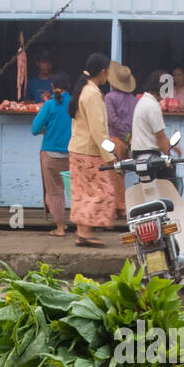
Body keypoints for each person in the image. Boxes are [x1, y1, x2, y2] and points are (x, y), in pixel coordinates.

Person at [67, 52, 117, 247]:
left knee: (82, 191)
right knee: (101, 191)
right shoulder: (93, 93)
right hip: (89, 151)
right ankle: (86, 233)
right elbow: (98, 129)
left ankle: (83, 232)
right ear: (103, 72)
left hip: (78, 149)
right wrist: (109, 155)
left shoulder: (84, 89)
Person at [31, 70, 71, 238]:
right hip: (72, 154)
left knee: (54, 192)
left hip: (51, 154)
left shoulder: (49, 105)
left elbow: (35, 129)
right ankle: (83, 226)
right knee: (73, 190)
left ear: (53, 87)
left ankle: (60, 227)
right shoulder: (76, 103)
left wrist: (46, 130)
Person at [132, 69, 183, 190]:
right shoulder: (153, 106)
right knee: (169, 190)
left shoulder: (144, 101)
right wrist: (169, 155)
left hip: (140, 154)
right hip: (150, 155)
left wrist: (171, 146)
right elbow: (160, 136)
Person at [104, 61, 137, 217]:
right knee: (120, 174)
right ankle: (118, 208)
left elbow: (112, 120)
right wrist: (129, 137)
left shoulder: (109, 97)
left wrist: (125, 136)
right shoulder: (134, 99)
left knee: (113, 176)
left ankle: (119, 208)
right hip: (127, 142)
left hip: (114, 140)